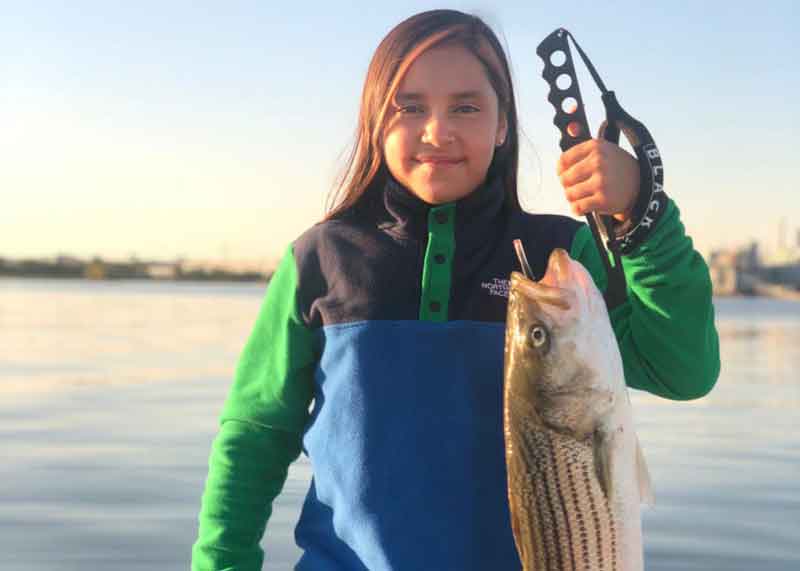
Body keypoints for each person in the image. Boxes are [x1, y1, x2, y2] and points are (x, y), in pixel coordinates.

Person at [192, 9, 719, 571]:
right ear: (375, 122)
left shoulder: (560, 261)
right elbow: (255, 436)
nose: (436, 132)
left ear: (502, 125)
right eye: (409, 106)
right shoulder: (320, 259)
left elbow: (682, 370)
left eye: (466, 107)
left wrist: (643, 213)